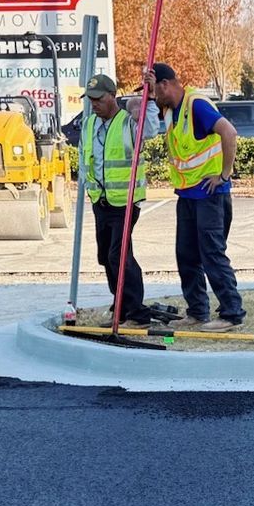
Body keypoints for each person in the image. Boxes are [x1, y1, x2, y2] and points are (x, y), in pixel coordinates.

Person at [142, 63, 243, 331]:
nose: (152, 97)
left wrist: (224, 174)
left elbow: (229, 132)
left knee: (212, 254)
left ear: (165, 85)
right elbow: (139, 107)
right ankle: (198, 311)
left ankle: (231, 313)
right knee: (186, 255)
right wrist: (146, 86)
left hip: (210, 195)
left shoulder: (196, 105)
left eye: (153, 90)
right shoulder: (171, 111)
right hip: (187, 195)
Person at [77, 71, 164, 325]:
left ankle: (136, 312)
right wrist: (87, 185)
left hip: (124, 203)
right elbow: (85, 158)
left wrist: (149, 98)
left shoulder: (127, 122)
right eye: (90, 99)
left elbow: (149, 130)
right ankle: (121, 306)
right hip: (100, 202)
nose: (93, 104)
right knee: (106, 256)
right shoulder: (89, 123)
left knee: (120, 255)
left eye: (98, 98)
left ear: (112, 96)